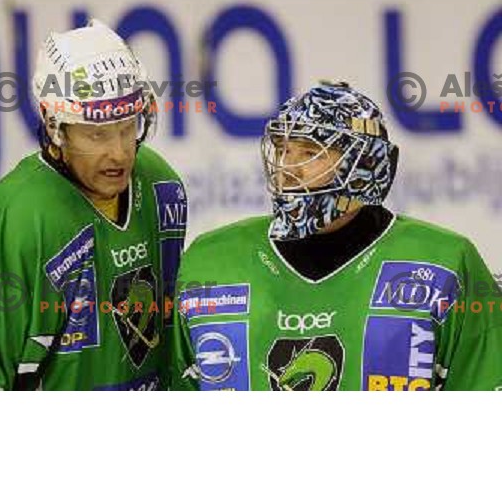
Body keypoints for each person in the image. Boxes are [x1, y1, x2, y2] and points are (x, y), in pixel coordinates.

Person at [170, 81, 502, 391]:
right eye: (283, 150)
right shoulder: (210, 263)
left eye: (310, 152)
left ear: (367, 165)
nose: (288, 168)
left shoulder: (444, 265)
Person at [0, 19, 187, 390]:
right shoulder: (16, 216)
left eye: (128, 127)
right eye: (97, 133)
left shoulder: (161, 185)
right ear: (55, 128)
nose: (119, 152)